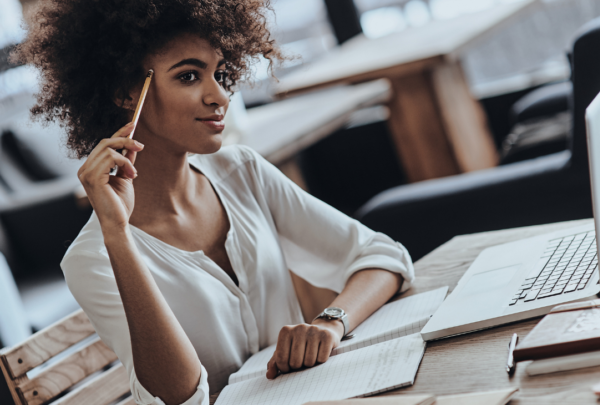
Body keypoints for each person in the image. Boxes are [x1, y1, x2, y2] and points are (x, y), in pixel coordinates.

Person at [12, 1, 415, 404]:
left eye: (220, 74)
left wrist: (330, 324)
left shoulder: (242, 172)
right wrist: (117, 235)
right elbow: (179, 398)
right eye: (189, 76)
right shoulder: (94, 259)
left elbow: (383, 256)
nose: (219, 95)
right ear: (124, 92)